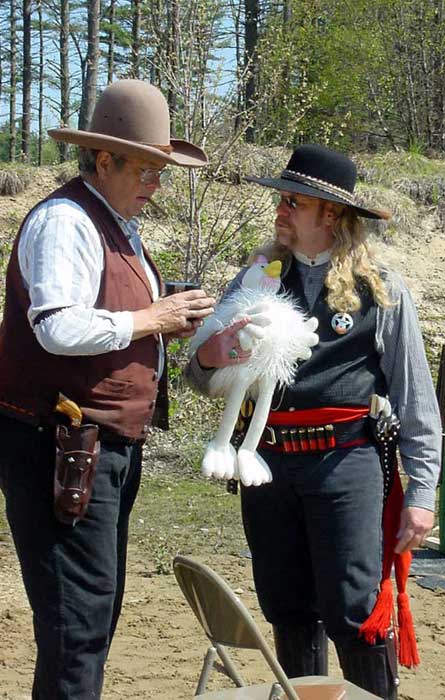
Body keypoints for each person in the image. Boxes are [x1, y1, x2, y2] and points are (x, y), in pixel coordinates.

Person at [185, 144, 442, 700]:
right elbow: (200, 374)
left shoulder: (383, 292)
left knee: (353, 612)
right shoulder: (255, 280)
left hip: (344, 465)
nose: (280, 210)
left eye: (293, 202)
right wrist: (213, 356)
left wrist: (421, 493)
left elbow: (417, 401)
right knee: (289, 608)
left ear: (330, 214)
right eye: (281, 199)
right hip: (267, 467)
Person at [0, 79, 215, 699]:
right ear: (104, 159)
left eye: (159, 169)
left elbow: (106, 325)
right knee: (76, 629)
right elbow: (57, 326)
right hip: (59, 447)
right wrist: (154, 318)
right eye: (146, 167)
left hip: (93, 448)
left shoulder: (113, 224)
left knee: (90, 623)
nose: (155, 182)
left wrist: (165, 320)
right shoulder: (67, 220)